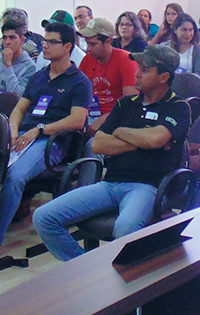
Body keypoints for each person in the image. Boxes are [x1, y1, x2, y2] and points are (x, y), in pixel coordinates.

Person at [0, 21, 92, 269]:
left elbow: (78, 121)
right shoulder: (40, 76)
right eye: (44, 41)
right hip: (23, 135)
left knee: (14, 177)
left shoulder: (79, 81)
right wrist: (12, 130)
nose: (44, 46)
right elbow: (20, 108)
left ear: (68, 46)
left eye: (51, 42)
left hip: (51, 141)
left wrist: (40, 129)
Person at [33, 45, 191, 261]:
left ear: (163, 77)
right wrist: (140, 139)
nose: (137, 73)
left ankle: (123, 283)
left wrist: (121, 133)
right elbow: (98, 144)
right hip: (110, 183)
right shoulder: (126, 104)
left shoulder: (178, 107)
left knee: (125, 228)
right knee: (44, 217)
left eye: (145, 69)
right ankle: (87, 271)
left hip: (147, 188)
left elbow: (156, 139)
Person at [78, 18, 139, 134]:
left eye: (93, 44)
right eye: (87, 44)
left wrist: (102, 120)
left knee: (92, 147)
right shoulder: (87, 60)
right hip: (89, 117)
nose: (88, 49)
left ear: (108, 42)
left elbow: (130, 104)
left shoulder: (126, 60)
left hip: (117, 120)